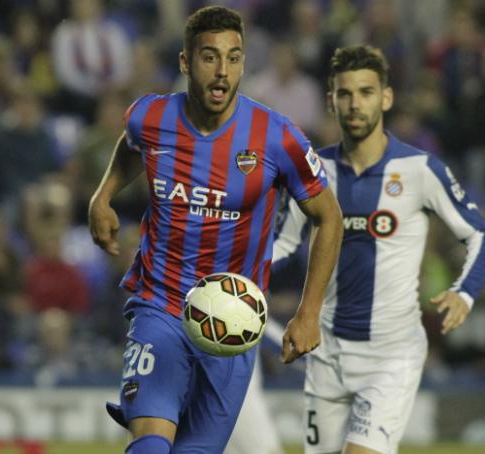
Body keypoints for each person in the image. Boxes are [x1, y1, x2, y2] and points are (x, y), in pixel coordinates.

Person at [87, 6, 343, 454]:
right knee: (150, 446)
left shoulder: (276, 137)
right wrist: (103, 195)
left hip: (232, 331)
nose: (223, 72)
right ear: (186, 63)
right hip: (160, 308)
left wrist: (309, 312)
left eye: (234, 57)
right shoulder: (150, 117)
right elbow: (132, 148)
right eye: (210, 58)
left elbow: (330, 217)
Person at [273, 45, 485, 454]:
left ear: (386, 98)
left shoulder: (420, 170)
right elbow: (283, 244)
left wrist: (464, 292)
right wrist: (233, 275)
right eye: (345, 94)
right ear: (331, 101)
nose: (355, 103)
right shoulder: (314, 172)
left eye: (366, 92)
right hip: (325, 351)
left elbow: (481, 234)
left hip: (391, 355)